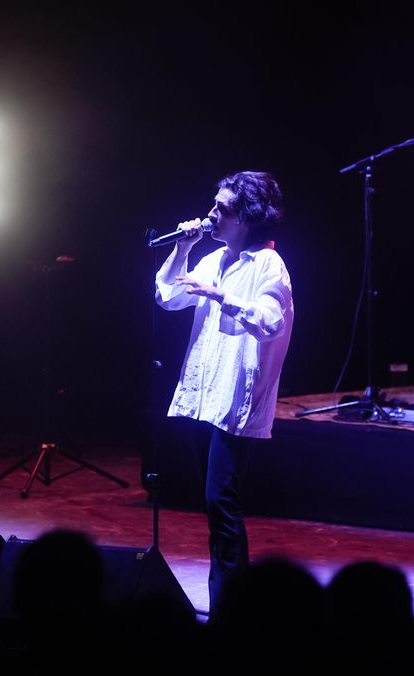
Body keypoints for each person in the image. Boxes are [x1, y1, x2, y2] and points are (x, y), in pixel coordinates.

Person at [155, 171, 294, 611]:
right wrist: (182, 248)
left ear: (247, 218)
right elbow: (167, 297)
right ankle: (229, 605)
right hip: (206, 397)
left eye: (222, 208)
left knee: (222, 502)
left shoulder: (269, 266)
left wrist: (220, 296)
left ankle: (235, 610)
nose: (212, 213)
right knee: (216, 507)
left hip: (236, 401)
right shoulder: (214, 258)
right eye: (213, 204)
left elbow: (270, 322)